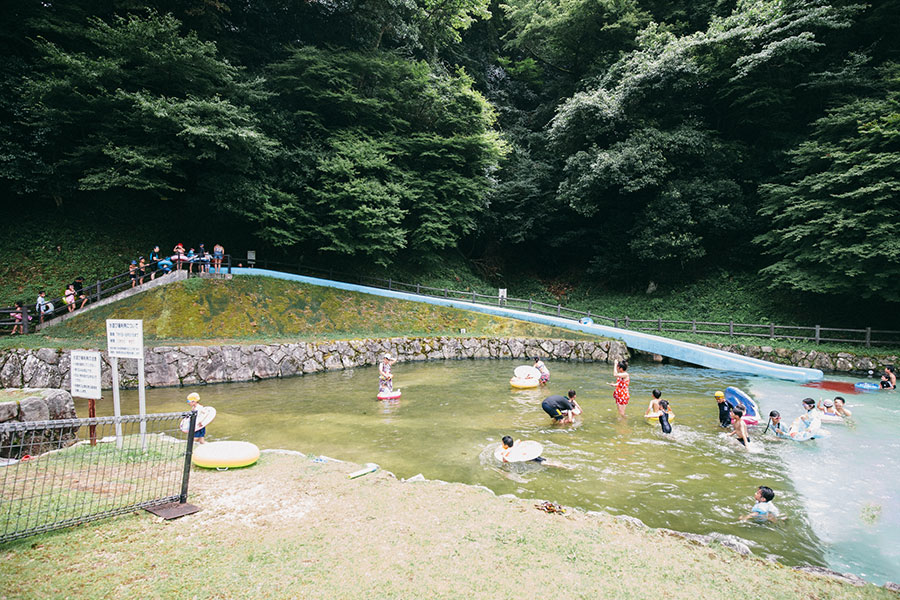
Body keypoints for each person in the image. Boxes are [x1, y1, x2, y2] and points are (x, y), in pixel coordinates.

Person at [499, 436, 570, 469]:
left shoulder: (508, 451)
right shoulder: (515, 444)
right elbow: (519, 441)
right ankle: (563, 465)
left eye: (502, 443)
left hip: (529, 458)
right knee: (543, 460)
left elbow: (505, 460)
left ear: (505, 445)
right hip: (530, 454)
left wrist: (503, 455)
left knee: (544, 463)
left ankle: (564, 467)